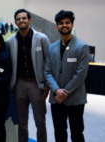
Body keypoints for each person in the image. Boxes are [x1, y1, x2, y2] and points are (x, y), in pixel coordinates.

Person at [44, 10, 89, 142]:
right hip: (56, 98)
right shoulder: (51, 48)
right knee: (59, 131)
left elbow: (81, 74)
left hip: (75, 98)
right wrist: (57, 90)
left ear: (72, 25)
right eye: (61, 23)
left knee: (77, 132)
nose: (64, 25)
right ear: (57, 26)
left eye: (67, 23)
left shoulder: (82, 47)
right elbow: (47, 72)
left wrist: (65, 92)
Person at [6, 9, 50, 142]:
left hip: (37, 84)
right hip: (19, 84)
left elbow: (49, 63)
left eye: (24, 18)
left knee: (40, 121)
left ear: (30, 20)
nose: (21, 21)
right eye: (18, 19)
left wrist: (47, 86)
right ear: (15, 22)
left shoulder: (42, 38)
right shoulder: (10, 41)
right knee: (22, 121)